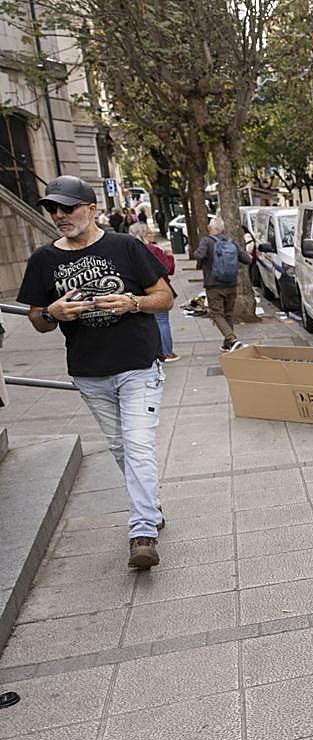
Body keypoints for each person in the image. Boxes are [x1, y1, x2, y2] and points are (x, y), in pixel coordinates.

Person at [17, 175, 175, 570]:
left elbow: (165, 298)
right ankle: (150, 506)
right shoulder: (43, 260)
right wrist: (51, 313)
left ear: (91, 209)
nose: (59, 215)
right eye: (53, 208)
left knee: (138, 445)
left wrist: (131, 303)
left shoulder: (125, 246)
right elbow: (37, 319)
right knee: (121, 448)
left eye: (67, 208)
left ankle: (142, 532)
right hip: (89, 372)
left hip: (138, 365)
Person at [194, 216, 252, 351]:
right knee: (228, 314)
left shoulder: (206, 241)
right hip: (231, 284)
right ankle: (228, 345)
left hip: (213, 285)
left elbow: (199, 255)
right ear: (223, 229)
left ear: (210, 228)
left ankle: (232, 339)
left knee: (217, 314)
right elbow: (247, 259)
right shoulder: (231, 242)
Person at [137, 226, 179, 362]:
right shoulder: (154, 250)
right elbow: (168, 270)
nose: (153, 235)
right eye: (149, 233)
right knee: (162, 321)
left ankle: (152, 352)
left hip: (140, 293)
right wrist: (170, 256)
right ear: (143, 235)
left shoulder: (132, 251)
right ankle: (166, 352)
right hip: (157, 291)